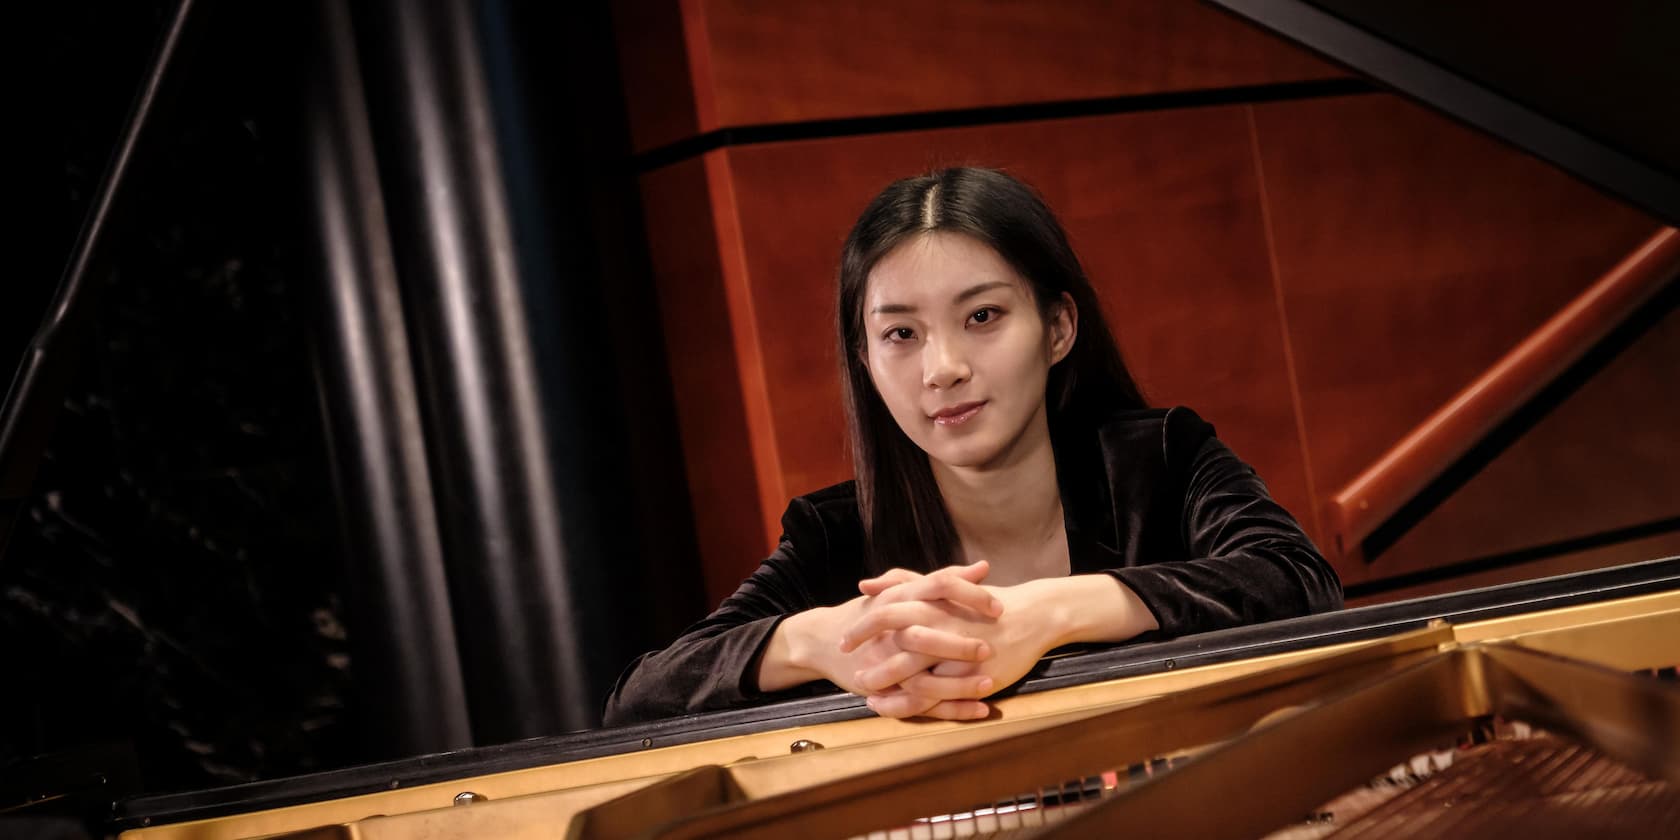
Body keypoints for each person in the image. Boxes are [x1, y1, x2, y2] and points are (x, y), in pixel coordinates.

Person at [604, 167, 1341, 726]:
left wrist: (1048, 612)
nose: (942, 367)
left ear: (1058, 328)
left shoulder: (1163, 460)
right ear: (865, 360)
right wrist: (823, 639)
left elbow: (1299, 581)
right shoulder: (834, 536)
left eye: (983, 315)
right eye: (900, 334)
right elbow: (640, 699)